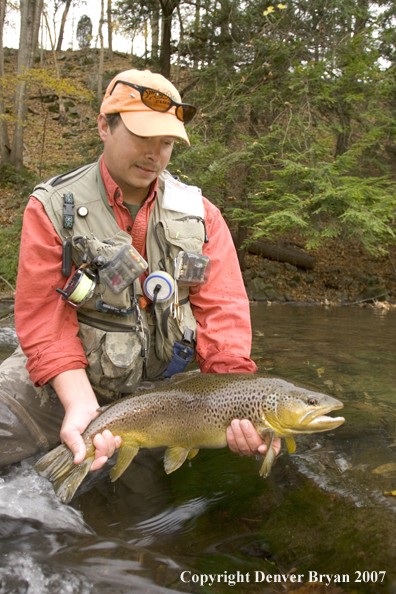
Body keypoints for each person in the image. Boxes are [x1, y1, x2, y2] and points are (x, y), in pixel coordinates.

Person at [0, 69, 280, 474]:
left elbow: (223, 315)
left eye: (166, 143)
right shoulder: (50, 207)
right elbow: (43, 319)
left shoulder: (203, 217)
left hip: (158, 401)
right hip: (58, 385)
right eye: (142, 138)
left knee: (129, 522)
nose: (155, 154)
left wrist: (238, 403)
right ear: (104, 126)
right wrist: (79, 401)